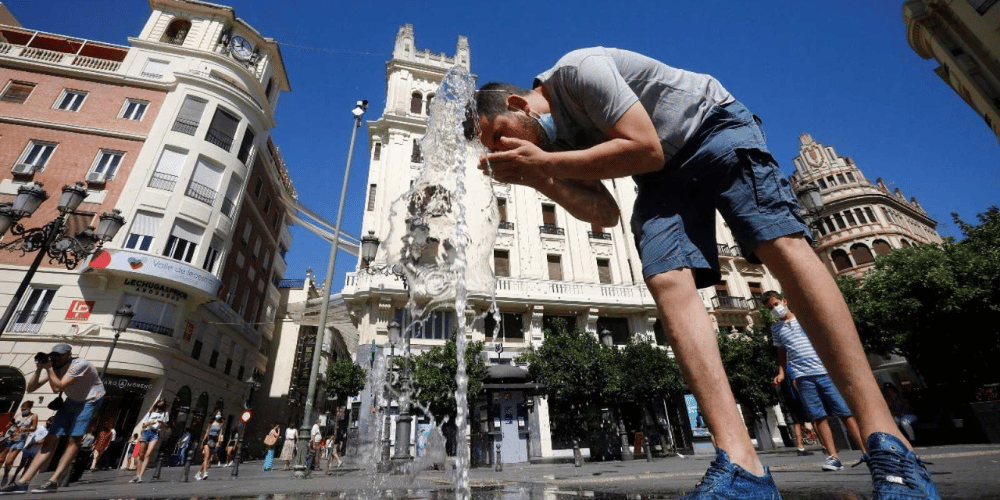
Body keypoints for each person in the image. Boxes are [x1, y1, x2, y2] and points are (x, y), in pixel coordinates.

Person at [470, 47, 940, 500]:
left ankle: (888, 442)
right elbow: (605, 212)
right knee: (664, 277)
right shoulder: (559, 143)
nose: (503, 149)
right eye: (494, 148)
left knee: (778, 243)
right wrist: (541, 177)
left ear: (517, 105)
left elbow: (645, 146)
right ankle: (742, 465)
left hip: (712, 126)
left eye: (499, 135)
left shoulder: (579, 70)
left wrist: (545, 163)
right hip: (658, 174)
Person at [766, 290, 866, 470]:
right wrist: (782, 372)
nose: (775, 309)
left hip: (825, 372)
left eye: (776, 304)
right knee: (818, 416)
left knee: (844, 412)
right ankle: (834, 457)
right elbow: (781, 353)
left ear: (784, 301)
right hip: (802, 377)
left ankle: (866, 452)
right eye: (770, 308)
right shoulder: (776, 329)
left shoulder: (804, 319)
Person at [0, 343, 105, 494]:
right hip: (72, 400)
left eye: (60, 354)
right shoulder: (54, 366)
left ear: (68, 355)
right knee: (50, 438)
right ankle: (23, 483)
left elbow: (58, 387)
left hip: (90, 400)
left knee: (73, 439)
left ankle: (54, 481)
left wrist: (49, 368)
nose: (56, 357)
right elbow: (30, 388)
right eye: (54, 354)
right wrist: (39, 368)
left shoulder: (80, 364)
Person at [131, 398, 170, 483]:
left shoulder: (165, 413)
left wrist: (162, 423)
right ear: (157, 403)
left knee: (148, 454)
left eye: (162, 402)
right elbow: (143, 425)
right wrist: (148, 423)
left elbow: (165, 426)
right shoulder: (151, 412)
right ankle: (137, 475)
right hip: (146, 432)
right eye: (159, 402)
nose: (160, 403)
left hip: (155, 433)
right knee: (141, 454)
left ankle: (141, 476)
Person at [774, 377, 814, 457]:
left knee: (797, 422)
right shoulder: (791, 368)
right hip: (798, 396)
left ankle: (800, 447)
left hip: (789, 398)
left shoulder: (781, 372)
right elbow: (795, 382)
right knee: (814, 419)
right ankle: (825, 445)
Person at [1, 402, 37, 487]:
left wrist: (26, 429)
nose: (22, 410)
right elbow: (10, 424)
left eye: (24, 409)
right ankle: (5, 475)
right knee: (1, 459)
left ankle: (6, 475)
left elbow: (34, 428)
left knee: (9, 462)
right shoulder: (17, 415)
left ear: (29, 408)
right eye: (22, 408)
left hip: (20, 440)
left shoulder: (33, 416)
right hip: (9, 437)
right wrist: (4, 431)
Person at [10, 418, 49, 486]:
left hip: (36, 449)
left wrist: (36, 443)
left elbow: (44, 441)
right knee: (22, 464)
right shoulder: (39, 427)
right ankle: (13, 478)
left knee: (28, 465)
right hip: (28, 447)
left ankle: (21, 480)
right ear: (46, 421)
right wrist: (29, 442)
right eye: (48, 422)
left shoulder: (49, 431)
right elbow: (31, 435)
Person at [196, 412, 223, 481]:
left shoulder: (220, 424)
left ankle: (198, 473)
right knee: (206, 456)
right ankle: (205, 473)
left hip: (213, 442)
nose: (218, 415)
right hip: (208, 441)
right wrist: (202, 443)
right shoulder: (210, 423)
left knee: (208, 459)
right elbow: (207, 433)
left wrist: (218, 442)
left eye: (219, 414)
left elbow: (220, 434)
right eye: (218, 414)